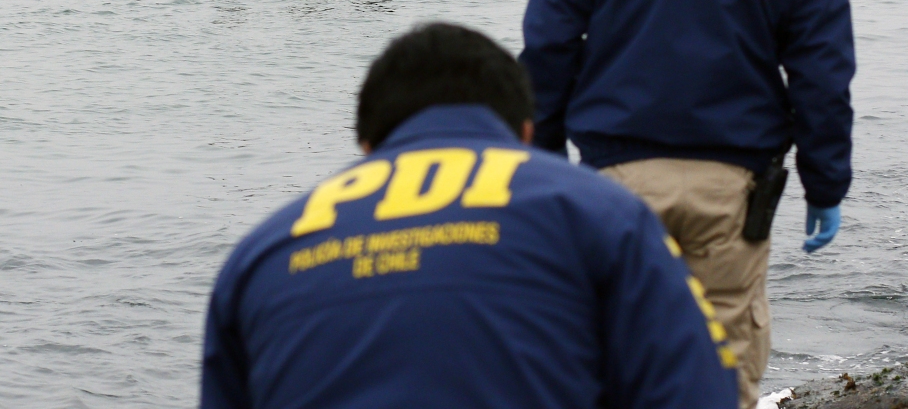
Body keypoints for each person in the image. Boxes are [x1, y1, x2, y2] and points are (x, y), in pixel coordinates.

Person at [518, 0, 855, 406]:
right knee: (719, 369)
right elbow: (822, 73)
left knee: (606, 360)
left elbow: (549, 42)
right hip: (730, 187)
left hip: (613, 182)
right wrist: (825, 182)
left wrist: (545, 166)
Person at [200, 23, 739, 409]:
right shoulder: (597, 210)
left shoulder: (262, 252)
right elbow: (699, 385)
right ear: (525, 133)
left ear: (367, 144)